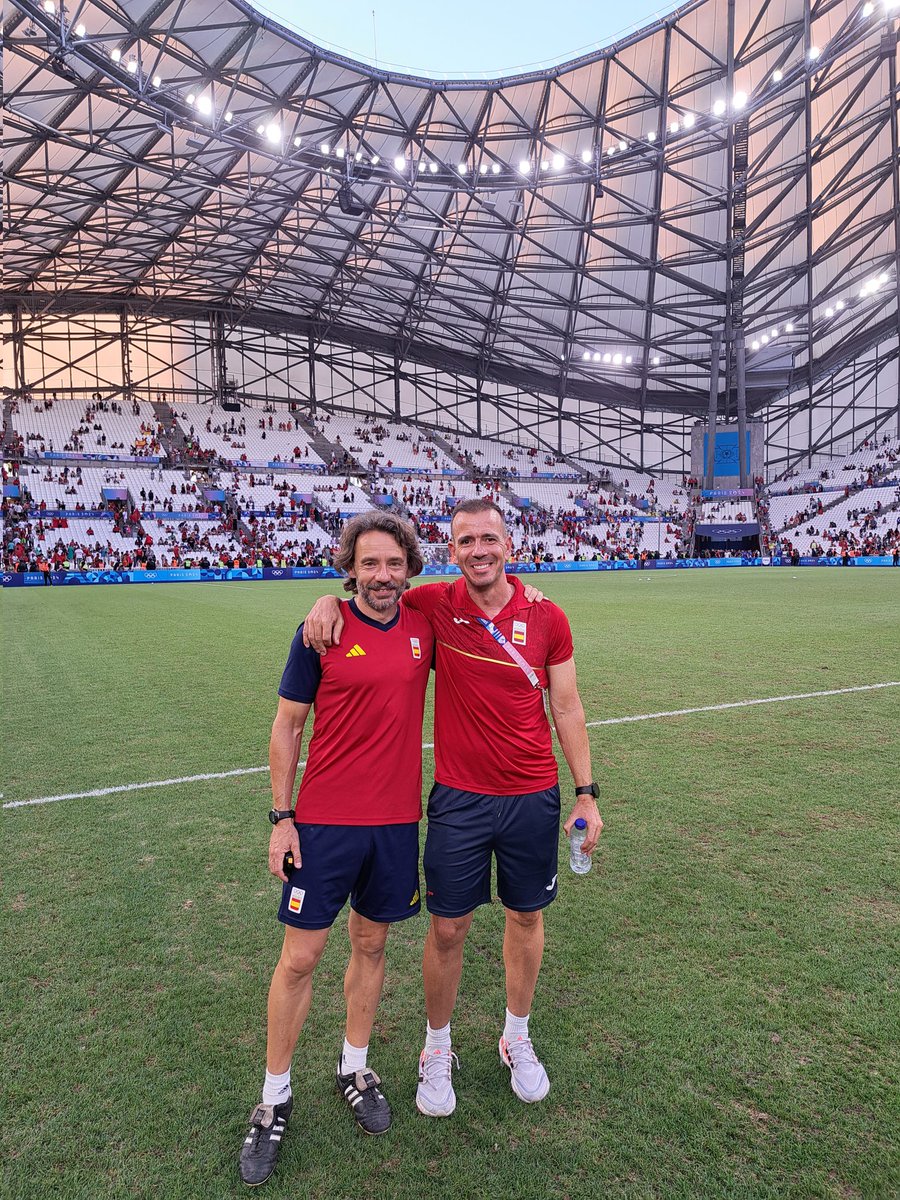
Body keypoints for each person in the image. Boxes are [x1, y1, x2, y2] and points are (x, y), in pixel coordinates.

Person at [303, 498, 602, 1119]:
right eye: (465, 542)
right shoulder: (433, 604)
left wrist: (585, 791)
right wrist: (324, 601)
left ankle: (515, 1036)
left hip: (531, 796)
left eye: (487, 538)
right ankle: (435, 1047)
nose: (478, 551)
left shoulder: (548, 616)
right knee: (447, 929)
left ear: (508, 544)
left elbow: (567, 708)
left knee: (525, 919)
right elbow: (369, 595)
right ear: (451, 551)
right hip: (459, 801)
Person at [238, 512, 434, 1188]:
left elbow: (482, 592)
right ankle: (273, 1096)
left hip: (395, 826)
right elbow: (288, 725)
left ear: (410, 568)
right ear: (350, 568)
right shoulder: (318, 630)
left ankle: (354, 1067)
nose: (383, 576)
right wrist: (281, 817)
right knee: (301, 957)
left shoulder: (425, 626)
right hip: (321, 825)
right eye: (369, 564)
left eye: (394, 564)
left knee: (372, 946)